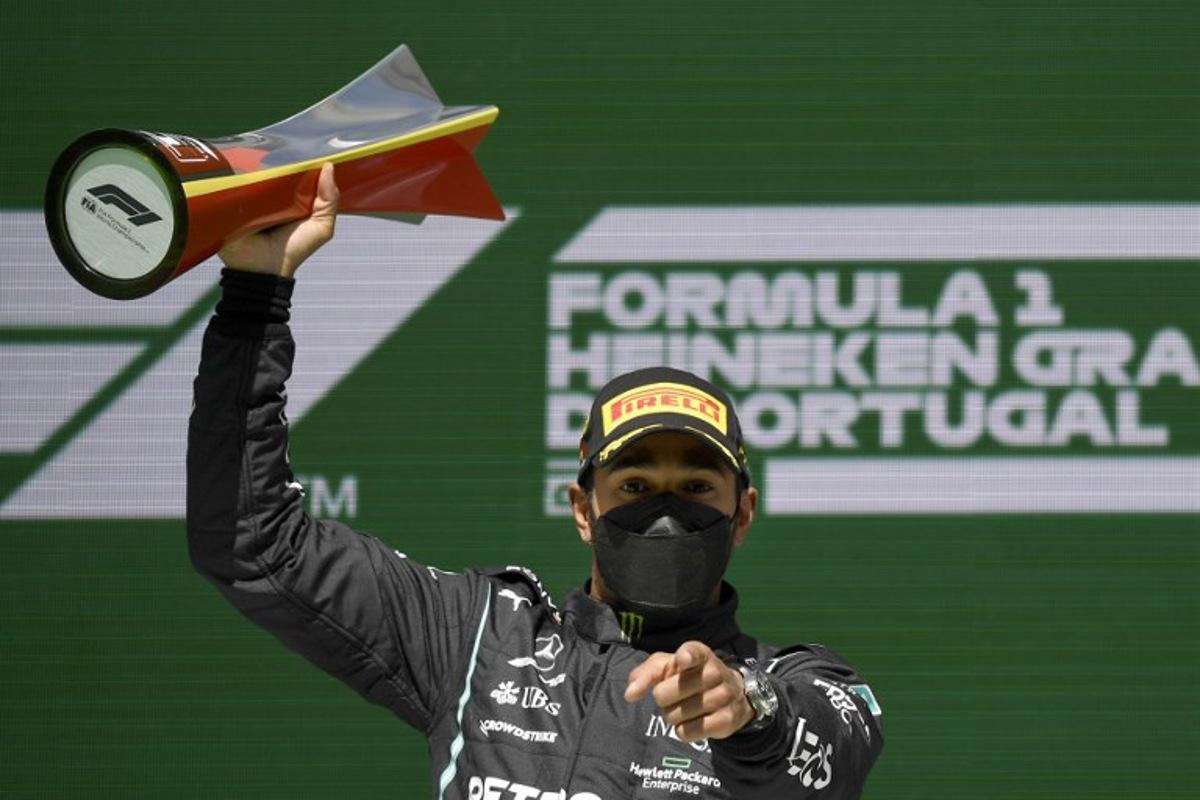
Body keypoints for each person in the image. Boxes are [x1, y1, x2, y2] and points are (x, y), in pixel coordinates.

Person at [187, 163, 884, 799]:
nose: (667, 513)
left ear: (743, 514)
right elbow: (255, 543)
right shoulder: (478, 639)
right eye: (637, 486)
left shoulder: (805, 684)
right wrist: (254, 295)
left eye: (697, 488)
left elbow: (828, 753)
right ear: (583, 508)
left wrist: (749, 709)